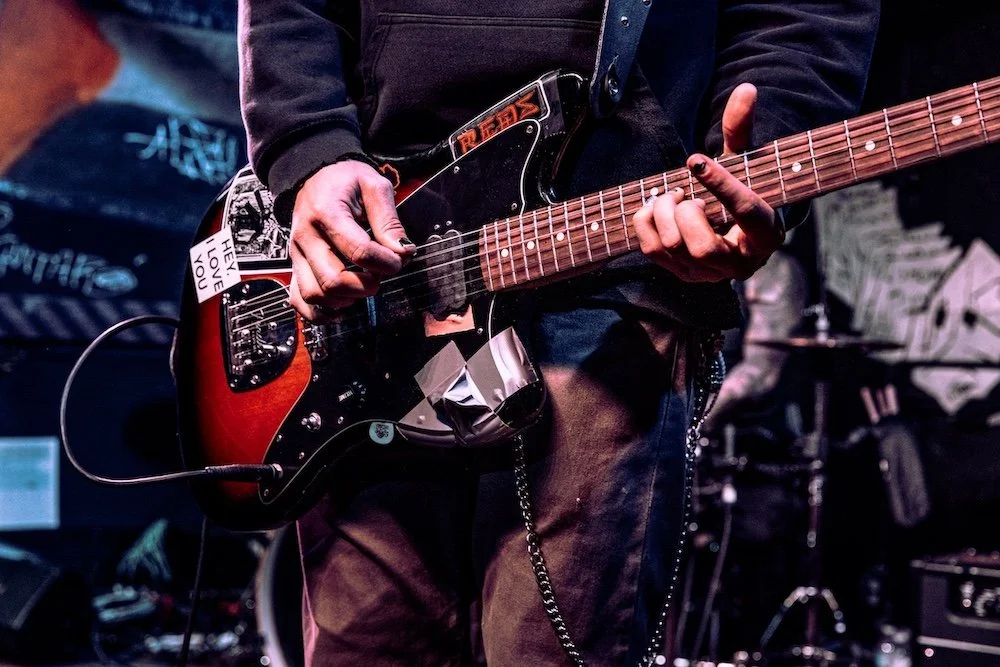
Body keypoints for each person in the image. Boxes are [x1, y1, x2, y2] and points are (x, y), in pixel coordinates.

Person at [236, 1, 879, 664]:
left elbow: (803, 17)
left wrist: (754, 151)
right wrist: (309, 150)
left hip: (607, 277)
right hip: (379, 268)